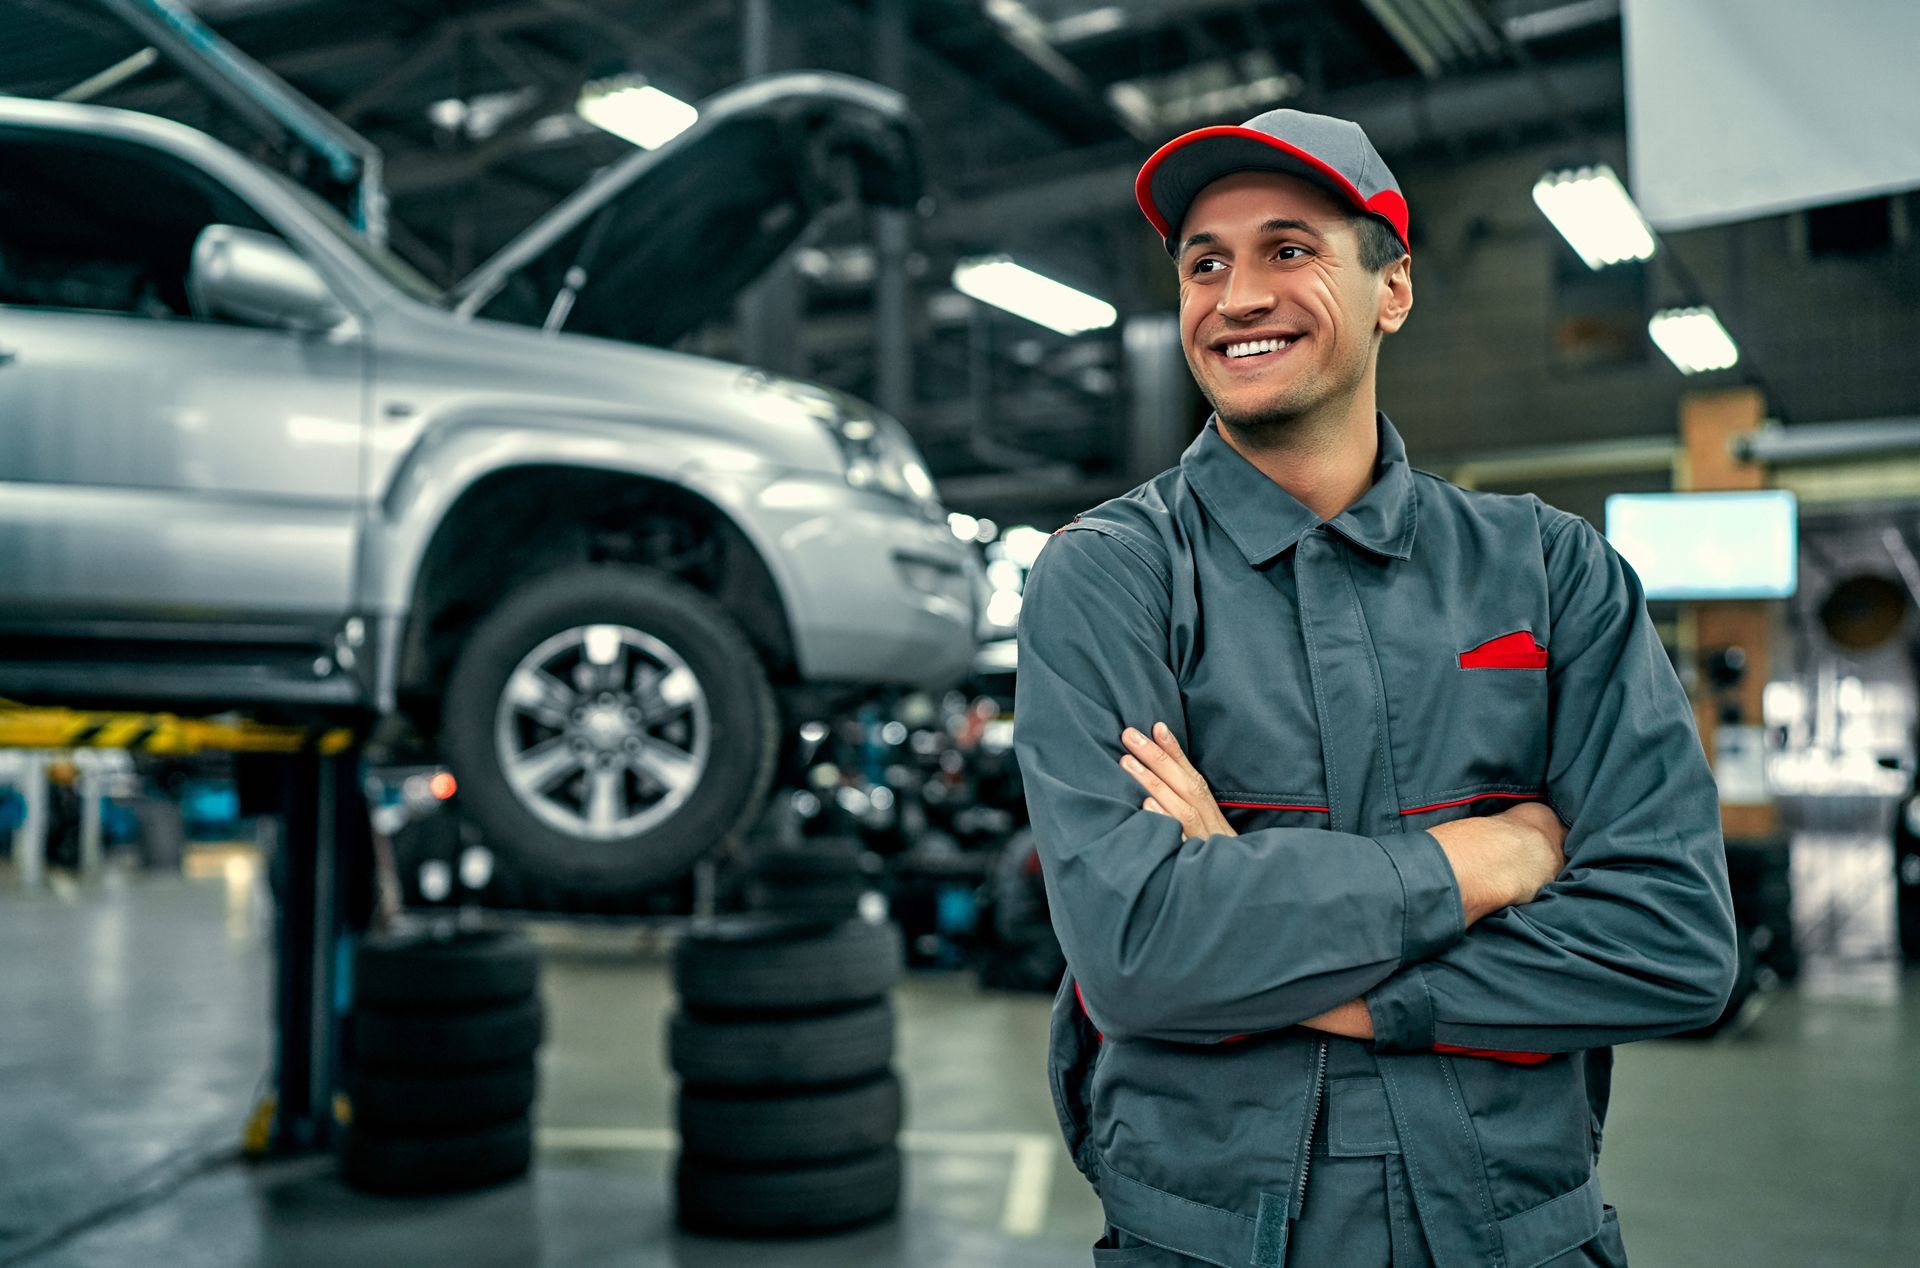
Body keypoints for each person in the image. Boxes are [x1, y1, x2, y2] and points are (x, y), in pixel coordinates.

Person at [1013, 107, 1737, 1267]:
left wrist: (1323, 976)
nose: (1237, 294)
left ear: (1393, 287)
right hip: (1207, 1244)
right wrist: (1488, 860)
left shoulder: (1551, 572)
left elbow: (1673, 938)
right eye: (1206, 263)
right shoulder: (1110, 576)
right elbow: (1137, 946)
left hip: (1520, 1235)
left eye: (1288, 250)